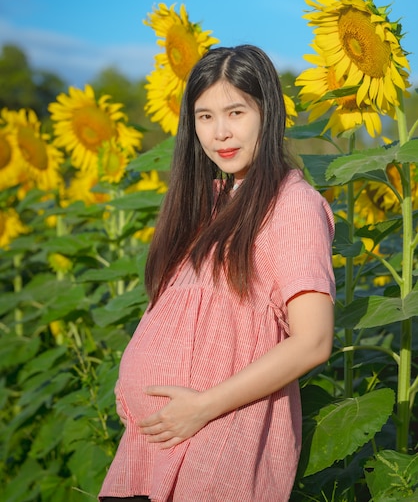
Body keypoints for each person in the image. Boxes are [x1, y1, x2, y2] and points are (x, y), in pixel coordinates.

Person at [99, 45, 335, 502]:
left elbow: (313, 340)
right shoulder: (207, 201)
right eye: (204, 117)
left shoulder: (290, 205)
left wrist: (202, 407)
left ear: (268, 114)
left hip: (217, 446)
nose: (220, 133)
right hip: (152, 449)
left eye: (235, 112)